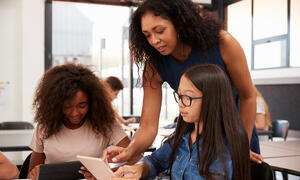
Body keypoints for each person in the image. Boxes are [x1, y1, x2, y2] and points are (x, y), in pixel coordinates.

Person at [103, 0, 262, 164]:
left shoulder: (223, 43)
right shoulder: (154, 65)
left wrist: (241, 145)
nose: (154, 41)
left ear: (179, 23)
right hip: (196, 139)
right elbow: (148, 126)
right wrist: (129, 151)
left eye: (160, 31)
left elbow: (248, 97)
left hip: (236, 133)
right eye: (147, 35)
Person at [112, 64, 251, 180]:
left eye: (187, 97)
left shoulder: (225, 146)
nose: (180, 103)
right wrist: (140, 168)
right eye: (179, 96)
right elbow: (155, 161)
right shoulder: (182, 137)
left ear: (211, 100)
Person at [27, 63, 135, 180]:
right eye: (67, 106)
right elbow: (31, 173)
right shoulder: (45, 126)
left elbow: (136, 156)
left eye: (82, 105)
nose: (74, 113)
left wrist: (112, 172)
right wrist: (34, 173)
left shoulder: (105, 123)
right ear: (56, 104)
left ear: (92, 101)